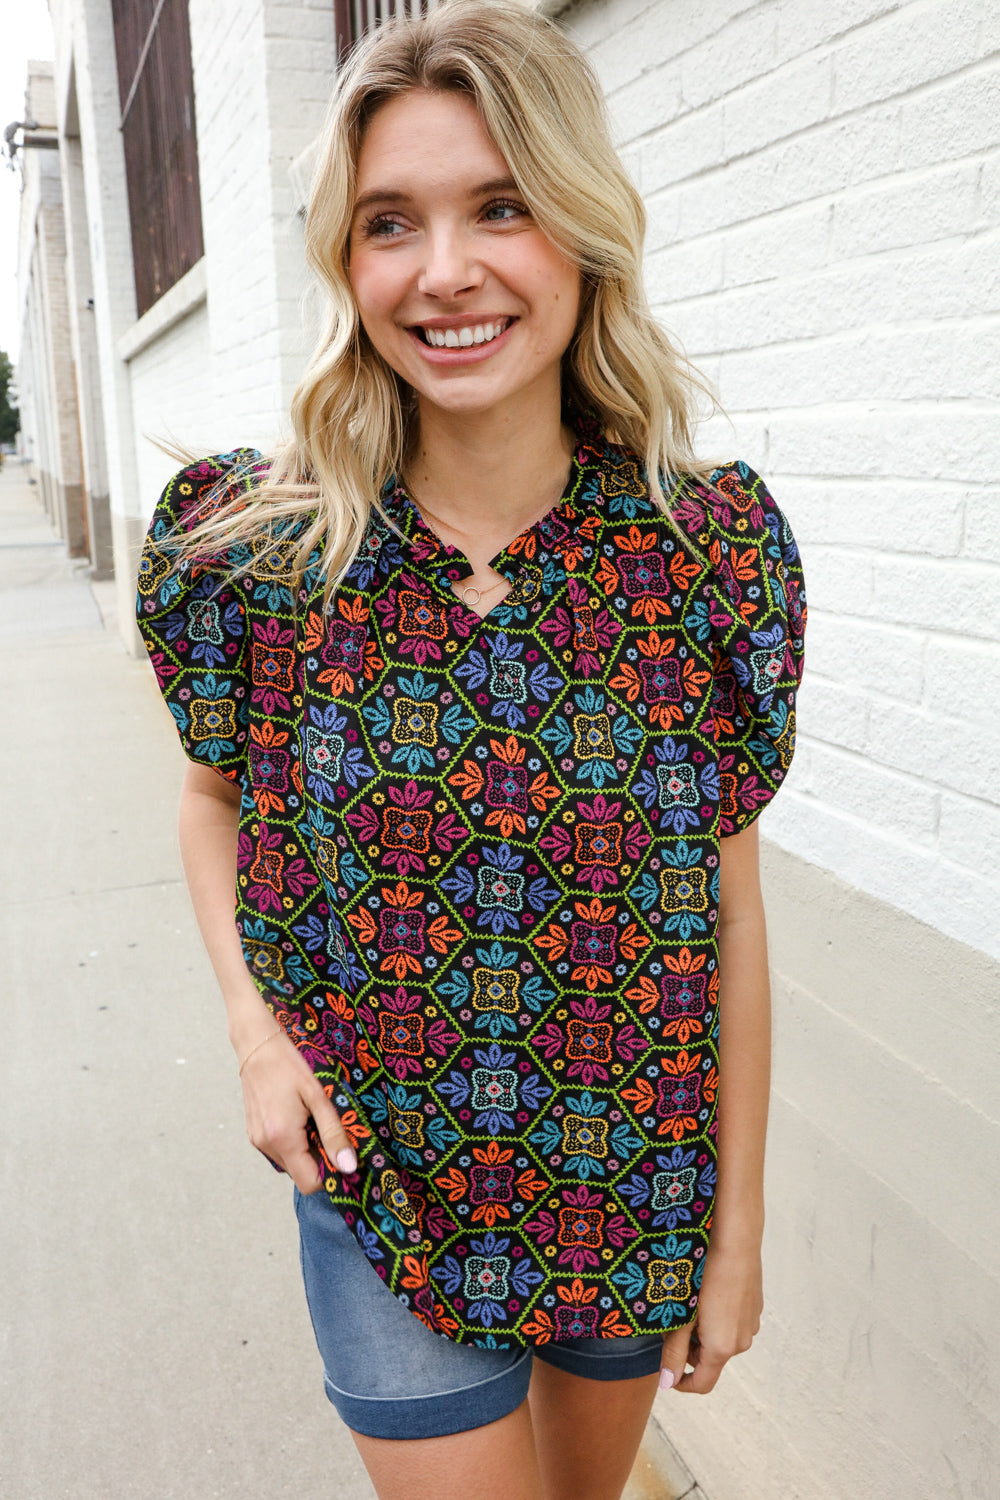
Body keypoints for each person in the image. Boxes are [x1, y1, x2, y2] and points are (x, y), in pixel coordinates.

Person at [136, 4, 806, 1497]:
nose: (444, 271)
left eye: (500, 207)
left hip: (629, 1183)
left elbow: (733, 911)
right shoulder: (262, 550)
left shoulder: (705, 554)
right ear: (347, 258)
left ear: (581, 226)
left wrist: (737, 1232)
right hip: (377, 1182)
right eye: (391, 222)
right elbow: (212, 799)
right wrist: (255, 1033)